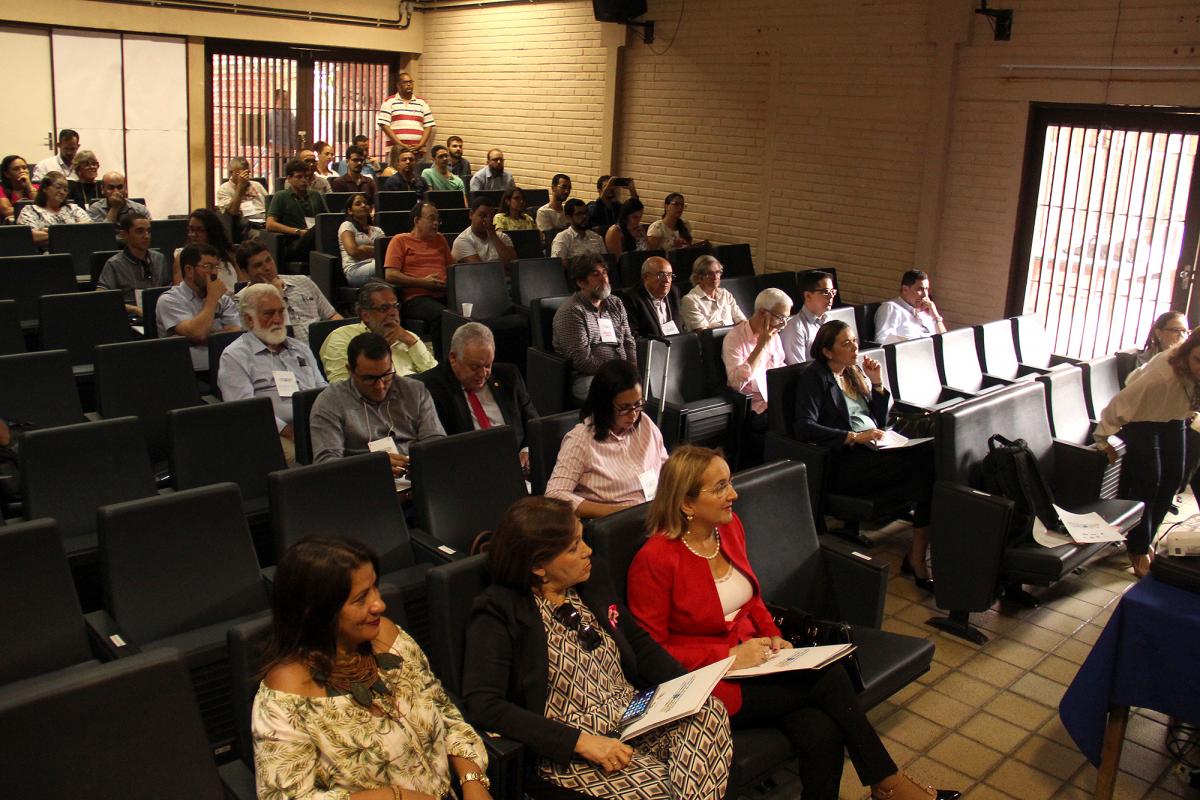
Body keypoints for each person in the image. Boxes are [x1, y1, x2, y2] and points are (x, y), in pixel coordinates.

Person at [627, 446, 959, 800]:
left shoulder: (729, 528)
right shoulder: (655, 559)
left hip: (756, 661)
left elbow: (751, 599)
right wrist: (728, 656)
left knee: (821, 728)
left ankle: (885, 784)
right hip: (708, 684)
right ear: (687, 503)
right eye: (720, 487)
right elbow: (650, 653)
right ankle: (888, 782)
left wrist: (773, 635)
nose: (734, 494)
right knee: (829, 676)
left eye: (730, 482)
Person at [462, 495, 732, 799]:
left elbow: (638, 644)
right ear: (538, 566)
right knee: (667, 791)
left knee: (710, 710)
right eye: (573, 547)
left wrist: (688, 687)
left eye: (582, 539)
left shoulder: (591, 579)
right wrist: (580, 742)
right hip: (573, 750)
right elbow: (484, 703)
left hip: (633, 716)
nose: (587, 550)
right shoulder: (498, 611)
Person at [253, 537, 490, 800]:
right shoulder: (286, 693)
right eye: (361, 598)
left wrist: (473, 782)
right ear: (316, 611)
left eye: (374, 587)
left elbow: (444, 712)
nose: (379, 604)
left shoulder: (388, 638)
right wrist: (395, 797)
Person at [794, 320, 937, 591]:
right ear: (827, 351)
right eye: (846, 343)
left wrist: (877, 384)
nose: (854, 348)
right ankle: (917, 557)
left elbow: (880, 421)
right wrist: (852, 436)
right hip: (846, 460)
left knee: (930, 460)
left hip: (874, 449)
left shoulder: (853, 372)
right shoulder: (815, 378)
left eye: (855, 341)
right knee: (926, 469)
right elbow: (804, 426)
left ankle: (918, 554)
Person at [1096, 329, 1200, 577]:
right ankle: (1138, 547)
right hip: (1140, 421)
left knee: (1173, 479)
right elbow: (1120, 404)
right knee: (1150, 483)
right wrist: (1102, 438)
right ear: (1187, 352)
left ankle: (1147, 538)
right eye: (1198, 360)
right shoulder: (1162, 375)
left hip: (1173, 419)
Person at [218, 283, 327, 464]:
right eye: (268, 314)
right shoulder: (234, 356)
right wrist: (288, 431)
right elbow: (246, 411)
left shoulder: (300, 348)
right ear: (249, 319)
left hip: (316, 425)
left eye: (280, 312)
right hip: (272, 434)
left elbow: (322, 387)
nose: (277, 319)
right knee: (300, 456)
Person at [546, 359, 668, 518]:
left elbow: (666, 466)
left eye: (638, 404)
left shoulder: (644, 423)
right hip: (617, 522)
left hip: (655, 512)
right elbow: (554, 494)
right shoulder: (581, 440)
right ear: (604, 405)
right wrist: (615, 512)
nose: (633, 414)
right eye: (624, 408)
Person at [310, 332, 445, 471]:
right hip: (361, 478)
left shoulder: (414, 390)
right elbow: (326, 464)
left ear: (392, 364)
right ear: (350, 371)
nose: (380, 386)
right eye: (369, 378)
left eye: (386, 375)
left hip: (414, 470)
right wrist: (372, 467)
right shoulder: (330, 402)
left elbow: (435, 442)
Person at [415, 322, 538, 472]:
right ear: (453, 358)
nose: (483, 374)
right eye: (475, 367)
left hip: (517, 467)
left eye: (488, 366)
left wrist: (527, 450)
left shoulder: (509, 376)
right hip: (468, 469)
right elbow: (439, 447)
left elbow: (534, 424)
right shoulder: (431, 387)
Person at [552, 256, 637, 403]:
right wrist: (618, 372)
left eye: (604, 272)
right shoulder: (572, 311)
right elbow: (581, 360)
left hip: (621, 371)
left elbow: (628, 340)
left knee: (652, 379)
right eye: (596, 275)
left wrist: (633, 368)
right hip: (587, 377)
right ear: (581, 282)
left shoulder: (615, 303)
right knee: (619, 393)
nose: (604, 279)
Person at [723, 288, 792, 465]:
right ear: (762, 313)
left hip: (776, 401)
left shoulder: (775, 336)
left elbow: (780, 367)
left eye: (787, 318)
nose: (784, 325)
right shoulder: (734, 338)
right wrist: (760, 346)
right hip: (754, 408)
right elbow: (735, 383)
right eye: (781, 318)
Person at [320, 281, 436, 383]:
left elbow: (436, 377)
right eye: (384, 308)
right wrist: (377, 350)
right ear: (365, 315)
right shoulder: (342, 338)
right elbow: (342, 388)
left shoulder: (408, 338)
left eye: (395, 306)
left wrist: (412, 342)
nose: (393, 313)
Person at [156, 243, 242, 372]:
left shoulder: (223, 299)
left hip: (227, 367)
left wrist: (206, 335)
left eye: (216, 266)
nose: (214, 273)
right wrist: (212, 300)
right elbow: (199, 334)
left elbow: (237, 334)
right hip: (188, 374)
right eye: (207, 267)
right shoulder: (169, 300)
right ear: (189, 270)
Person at [236, 239, 341, 344]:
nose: (267, 267)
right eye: (258, 265)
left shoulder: (303, 281)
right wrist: (276, 295)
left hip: (323, 346)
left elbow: (332, 316)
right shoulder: (242, 302)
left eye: (268, 260)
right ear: (245, 272)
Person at [384, 200, 453, 331]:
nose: (436, 223)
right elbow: (390, 275)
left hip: (445, 293)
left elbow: (452, 269)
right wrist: (423, 282)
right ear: (417, 221)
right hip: (416, 298)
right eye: (431, 218)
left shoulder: (440, 239)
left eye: (438, 220)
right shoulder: (400, 240)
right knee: (443, 316)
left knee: (469, 309)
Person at [97, 213, 171, 317]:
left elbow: (168, 290)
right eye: (140, 231)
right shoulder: (114, 263)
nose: (146, 236)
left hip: (158, 315)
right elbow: (101, 297)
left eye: (149, 231)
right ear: (124, 235)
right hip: (129, 317)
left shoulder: (159, 258)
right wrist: (134, 309)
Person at [267, 158, 328, 263]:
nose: (304, 180)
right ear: (289, 178)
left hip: (316, 239)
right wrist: (298, 232)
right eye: (299, 177)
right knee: (316, 230)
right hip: (294, 243)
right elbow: (270, 224)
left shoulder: (315, 195)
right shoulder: (281, 196)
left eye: (306, 177)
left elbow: (327, 219)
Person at [173, 208, 242, 294]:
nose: (193, 235)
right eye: (191, 230)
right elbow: (179, 292)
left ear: (212, 232)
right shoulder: (182, 256)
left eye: (200, 230)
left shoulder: (229, 254)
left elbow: (242, 283)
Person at [16, 172, 90, 248]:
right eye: (58, 187)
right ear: (45, 188)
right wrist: (72, 232)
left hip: (76, 250)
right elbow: (28, 236)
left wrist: (49, 232)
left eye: (65, 189)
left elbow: (89, 227)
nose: (62, 192)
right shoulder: (30, 210)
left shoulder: (73, 208)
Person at [874, 269, 947, 345]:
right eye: (920, 289)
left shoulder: (926, 311)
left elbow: (944, 342)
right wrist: (911, 345)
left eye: (926, 289)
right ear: (905, 289)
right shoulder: (891, 308)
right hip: (911, 351)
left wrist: (936, 316)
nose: (925, 295)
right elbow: (882, 340)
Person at [377, 72, 436, 164]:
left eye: (410, 82)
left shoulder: (422, 102)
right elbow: (384, 125)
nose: (409, 84)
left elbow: (428, 126)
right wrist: (401, 145)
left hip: (418, 152)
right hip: (396, 152)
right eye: (405, 82)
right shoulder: (389, 102)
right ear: (398, 85)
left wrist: (420, 145)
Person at [780, 270, 836, 365]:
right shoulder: (794, 328)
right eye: (826, 292)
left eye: (832, 291)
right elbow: (797, 368)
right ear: (808, 296)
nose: (831, 296)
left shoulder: (830, 320)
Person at [680, 254, 747, 332]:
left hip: (733, 337)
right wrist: (726, 324)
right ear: (699, 277)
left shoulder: (725, 294)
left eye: (717, 272)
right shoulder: (690, 300)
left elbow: (742, 321)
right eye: (710, 274)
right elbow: (704, 332)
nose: (715, 277)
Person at [622, 256, 681, 339]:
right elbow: (633, 335)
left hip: (675, 344)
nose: (667, 280)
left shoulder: (673, 292)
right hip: (650, 346)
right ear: (646, 277)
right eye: (661, 275)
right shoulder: (631, 299)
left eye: (669, 275)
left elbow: (680, 327)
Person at [451, 196, 516, 265]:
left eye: (491, 216)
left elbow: (513, 264)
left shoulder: (502, 237)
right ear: (471, 214)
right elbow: (480, 269)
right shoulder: (462, 240)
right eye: (483, 216)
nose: (488, 220)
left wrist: (493, 235)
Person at [338, 193, 386, 287]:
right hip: (355, 269)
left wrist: (363, 248)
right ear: (350, 211)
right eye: (358, 204)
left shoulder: (377, 230)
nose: (363, 205)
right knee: (388, 265)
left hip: (376, 264)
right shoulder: (347, 226)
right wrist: (375, 250)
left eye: (365, 203)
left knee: (392, 264)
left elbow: (385, 251)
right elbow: (353, 251)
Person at [216, 156, 270, 231]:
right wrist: (241, 186)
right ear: (231, 172)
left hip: (263, 216)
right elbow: (232, 211)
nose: (246, 176)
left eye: (247, 173)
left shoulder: (257, 185)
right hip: (244, 221)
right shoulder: (224, 189)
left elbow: (269, 204)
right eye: (241, 173)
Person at [87, 171, 151, 225]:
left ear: (126, 189)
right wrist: (114, 208)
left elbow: (150, 232)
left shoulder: (140, 210)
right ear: (103, 189)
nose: (116, 191)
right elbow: (100, 234)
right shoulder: (95, 209)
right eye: (111, 188)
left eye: (120, 187)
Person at [0, 155, 36, 224]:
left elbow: (42, 207)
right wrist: (32, 210)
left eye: (24, 168)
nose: (22, 171)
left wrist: (29, 187)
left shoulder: (37, 187)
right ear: (7, 174)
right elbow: (6, 211)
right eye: (16, 169)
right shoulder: (1, 189)